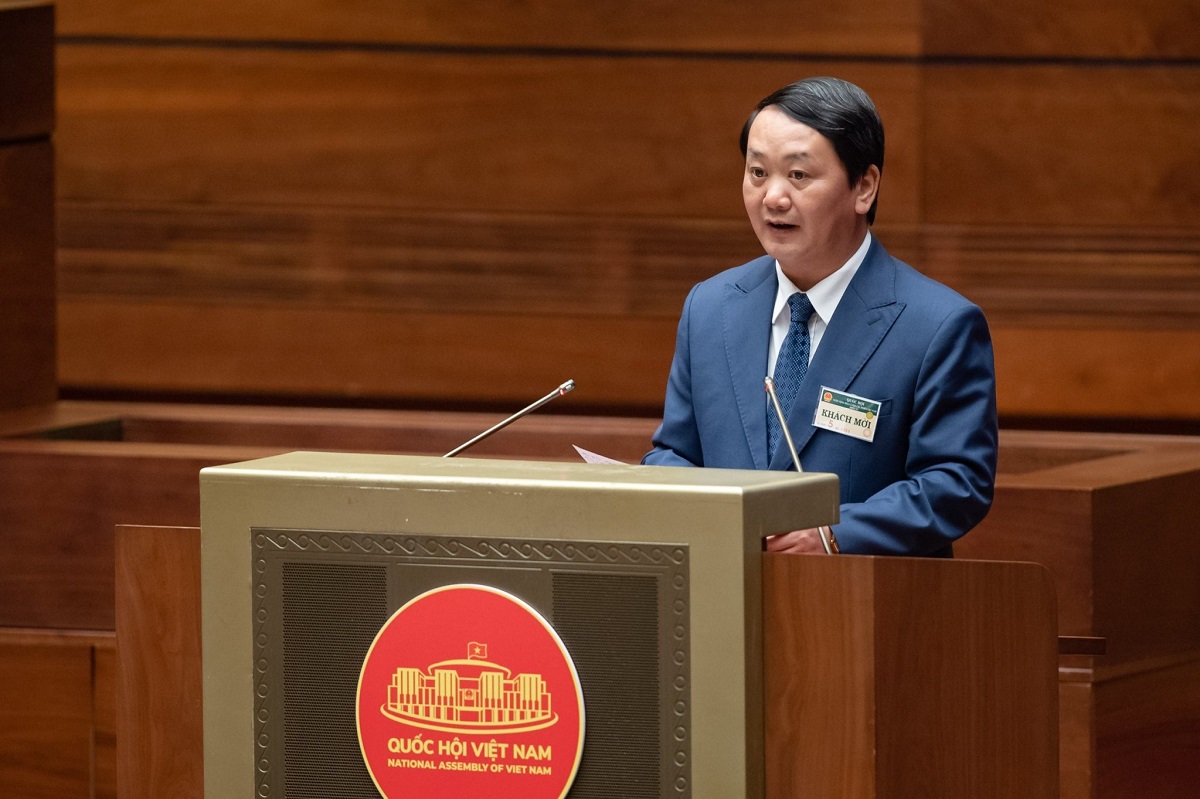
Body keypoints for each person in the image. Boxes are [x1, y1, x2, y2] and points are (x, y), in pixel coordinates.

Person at [642, 77, 998, 557]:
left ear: (864, 187)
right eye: (757, 173)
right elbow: (676, 452)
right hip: (722, 586)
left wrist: (832, 534)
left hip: (859, 593)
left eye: (798, 175)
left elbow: (955, 482)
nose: (773, 197)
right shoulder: (709, 308)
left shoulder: (937, 325)